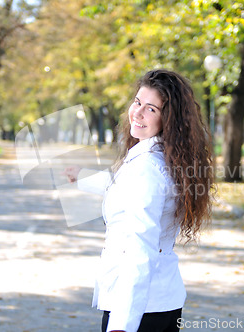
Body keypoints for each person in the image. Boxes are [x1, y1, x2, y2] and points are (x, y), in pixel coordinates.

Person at [65, 69, 213, 332]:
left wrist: (122, 324)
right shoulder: (161, 160)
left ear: (168, 119)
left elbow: (139, 248)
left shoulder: (146, 167)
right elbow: (124, 191)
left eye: (151, 109)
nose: (138, 113)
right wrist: (83, 177)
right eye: (137, 102)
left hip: (139, 310)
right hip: (159, 302)